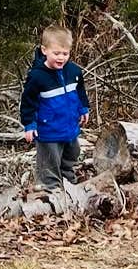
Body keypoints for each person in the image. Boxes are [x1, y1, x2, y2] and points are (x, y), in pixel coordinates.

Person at [20, 25, 90, 191]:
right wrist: (29, 124)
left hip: (70, 126)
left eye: (65, 54)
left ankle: (68, 184)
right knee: (50, 162)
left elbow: (80, 90)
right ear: (44, 50)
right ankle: (50, 189)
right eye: (56, 53)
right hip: (48, 130)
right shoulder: (37, 76)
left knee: (72, 154)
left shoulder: (73, 71)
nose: (61, 58)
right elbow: (28, 101)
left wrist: (83, 108)